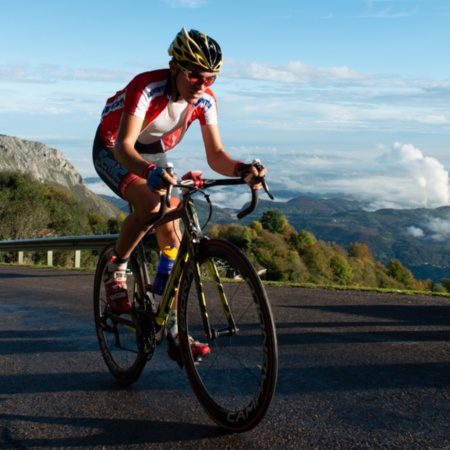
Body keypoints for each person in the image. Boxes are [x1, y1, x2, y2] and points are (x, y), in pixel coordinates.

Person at [93, 27, 266, 362]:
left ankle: (170, 326)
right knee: (150, 204)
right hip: (115, 146)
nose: (202, 85)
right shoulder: (146, 86)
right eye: (195, 76)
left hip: (153, 154)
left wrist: (243, 168)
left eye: (211, 78)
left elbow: (216, 155)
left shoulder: (205, 100)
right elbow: (126, 147)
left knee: (173, 238)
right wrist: (149, 173)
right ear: (174, 67)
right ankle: (117, 267)